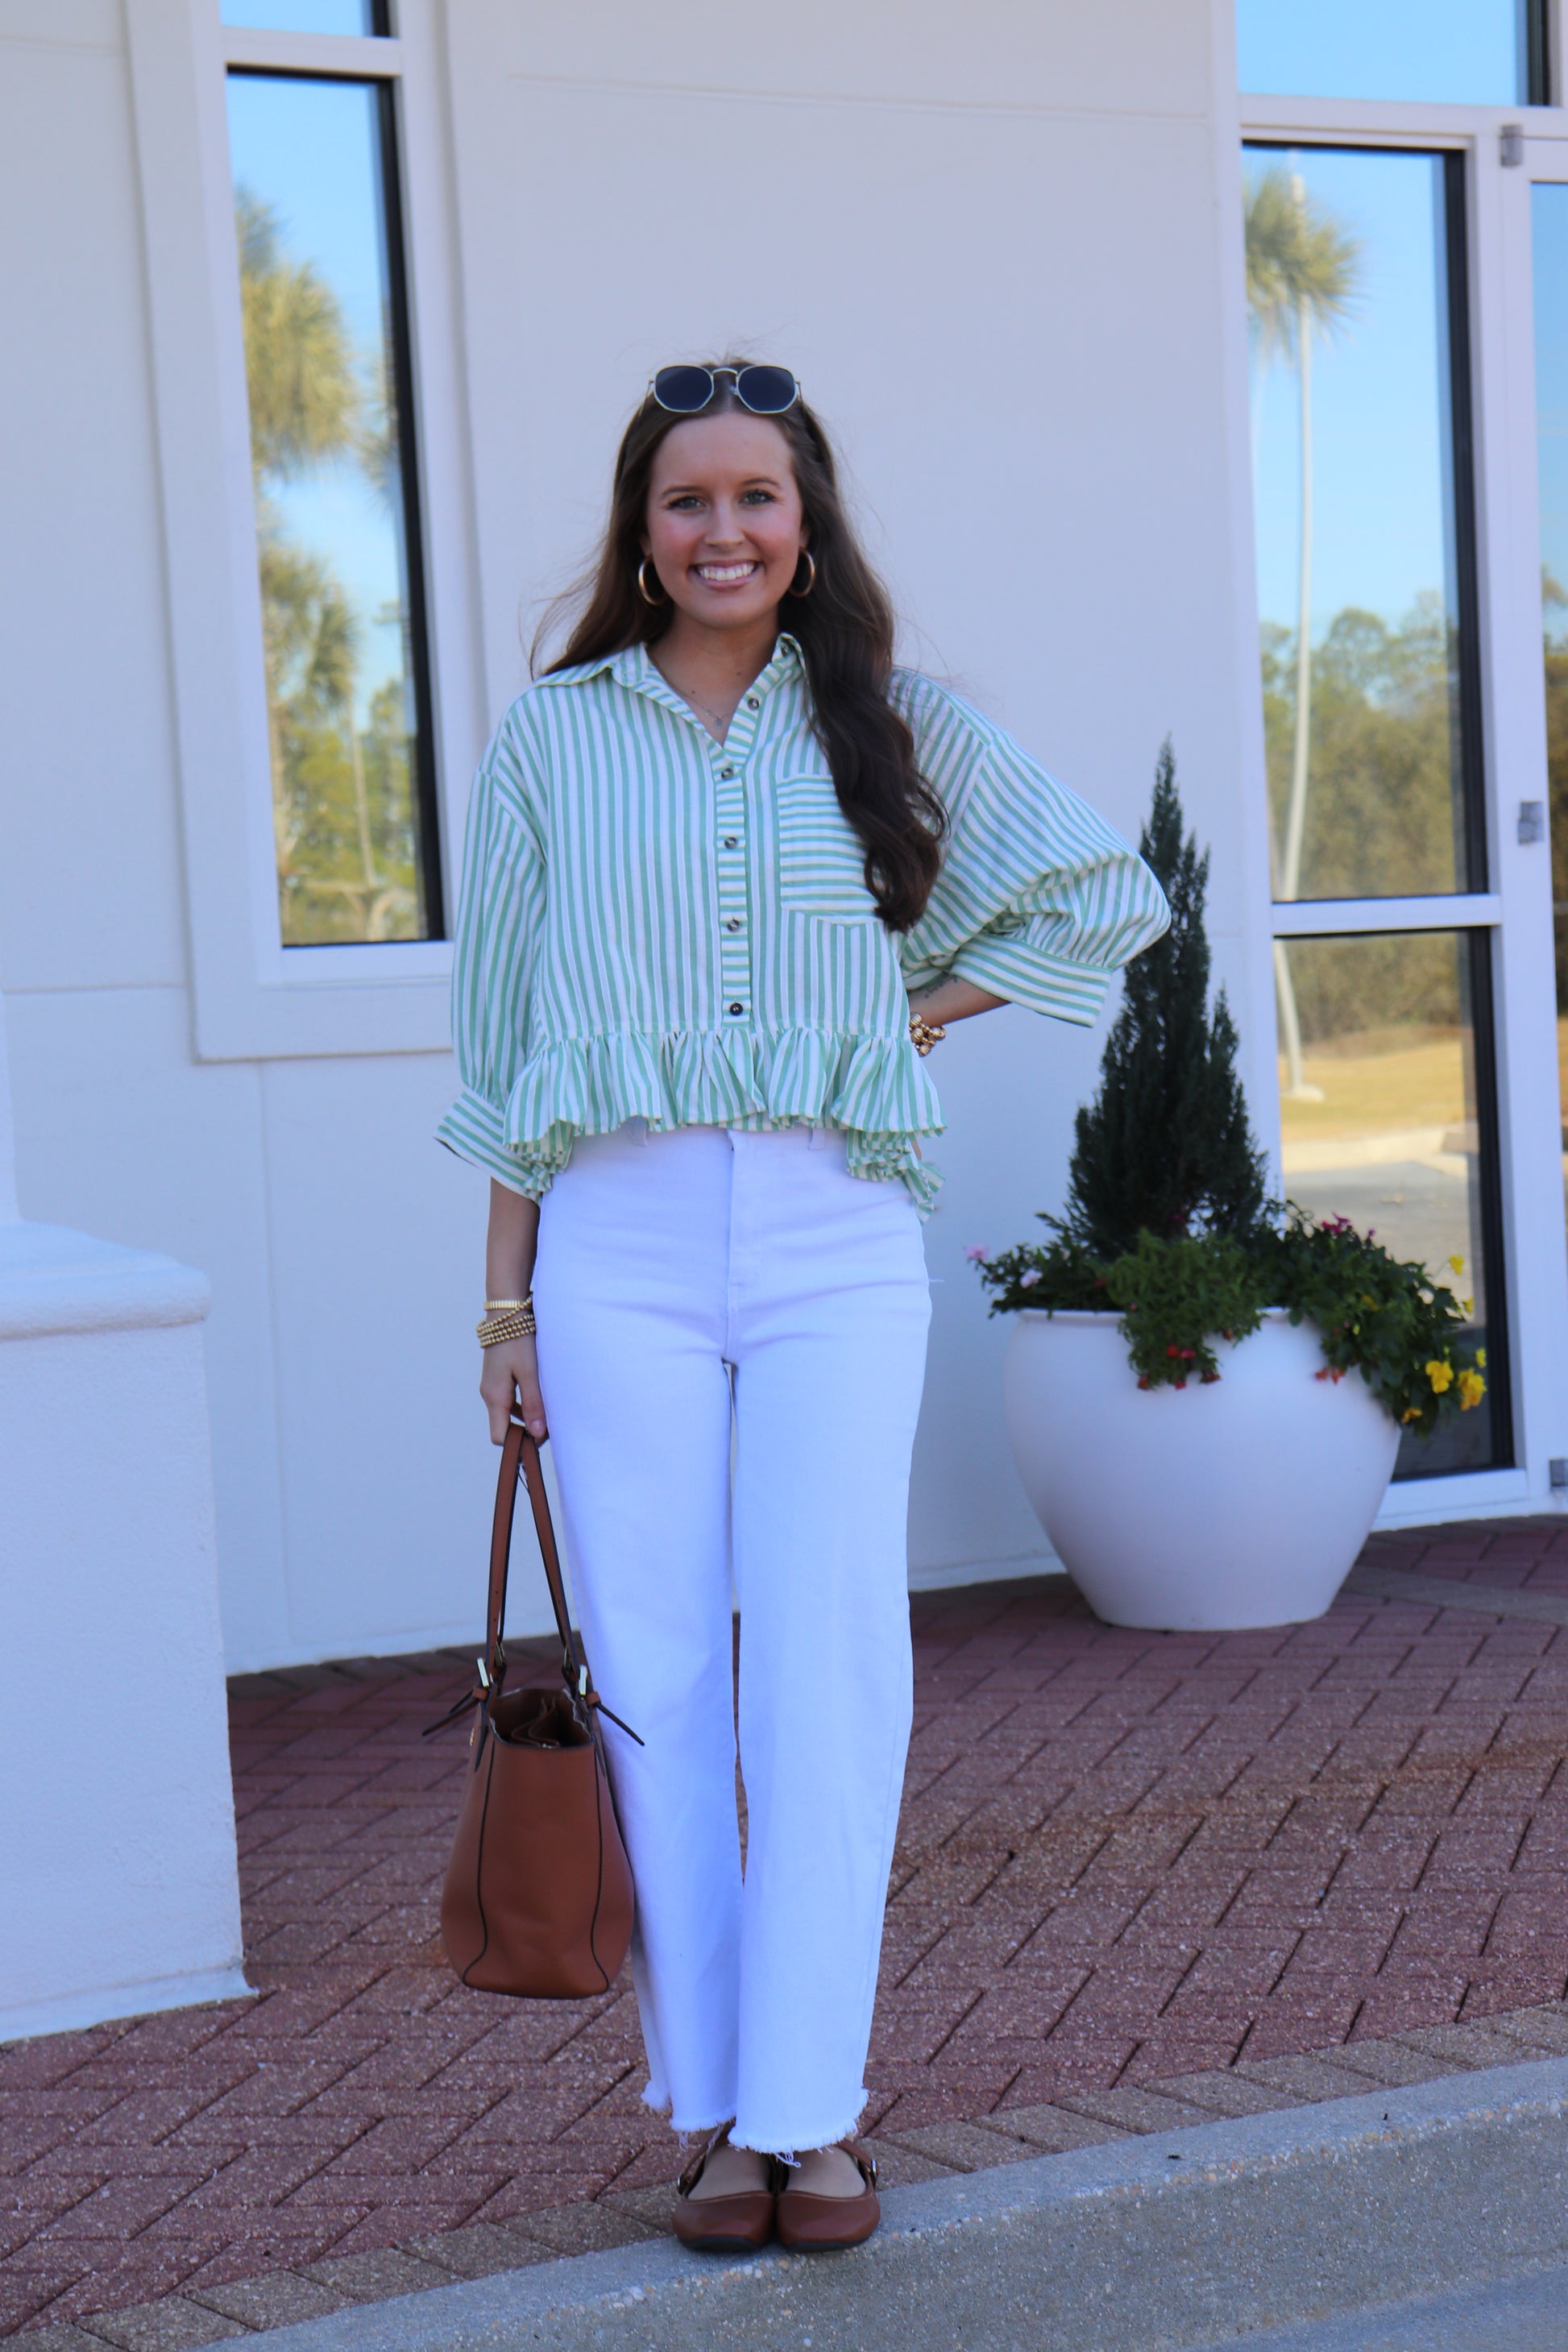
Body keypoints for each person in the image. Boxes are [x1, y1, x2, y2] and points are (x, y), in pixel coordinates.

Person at [438, 359, 1168, 2253]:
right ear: (639, 527)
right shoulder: (552, 739)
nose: (724, 530)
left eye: (757, 496)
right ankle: (711, 2111)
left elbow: (1103, 896)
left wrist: (898, 1015)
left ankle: (811, 2108)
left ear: (806, 522)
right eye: (687, 499)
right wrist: (504, 1313)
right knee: (657, 1672)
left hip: (835, 1225)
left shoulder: (896, 721)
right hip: (616, 1233)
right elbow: (504, 1048)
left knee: (828, 1663)